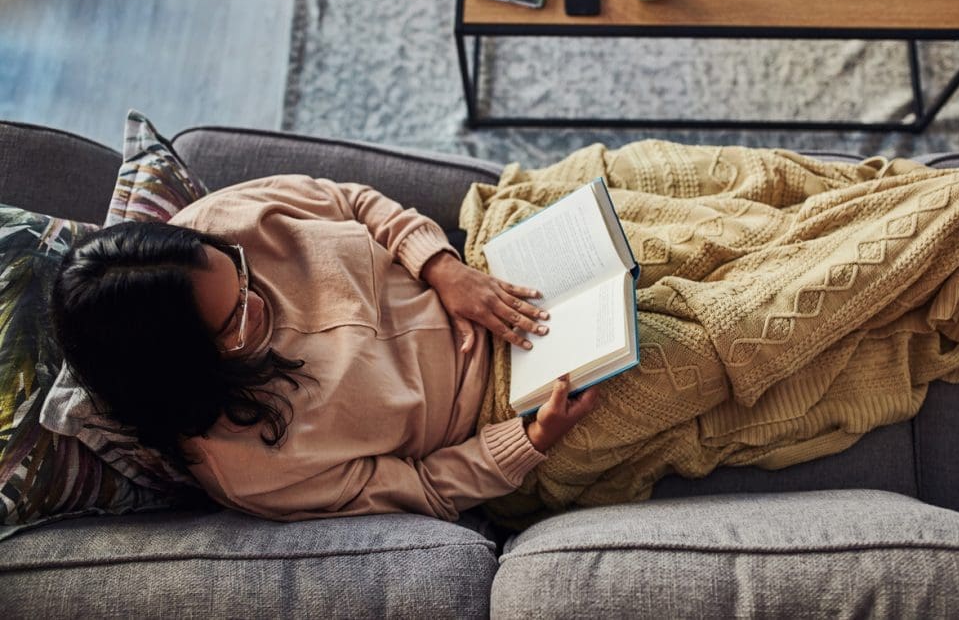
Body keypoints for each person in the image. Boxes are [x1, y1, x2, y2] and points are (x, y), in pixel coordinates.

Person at [52, 175, 598, 522]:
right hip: (504, 409)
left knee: (634, 193)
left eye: (241, 274)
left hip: (485, 266)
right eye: (236, 318)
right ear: (184, 370)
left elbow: (351, 202)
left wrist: (443, 267)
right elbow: (421, 487)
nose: (257, 302)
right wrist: (529, 439)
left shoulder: (216, 223)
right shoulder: (247, 469)